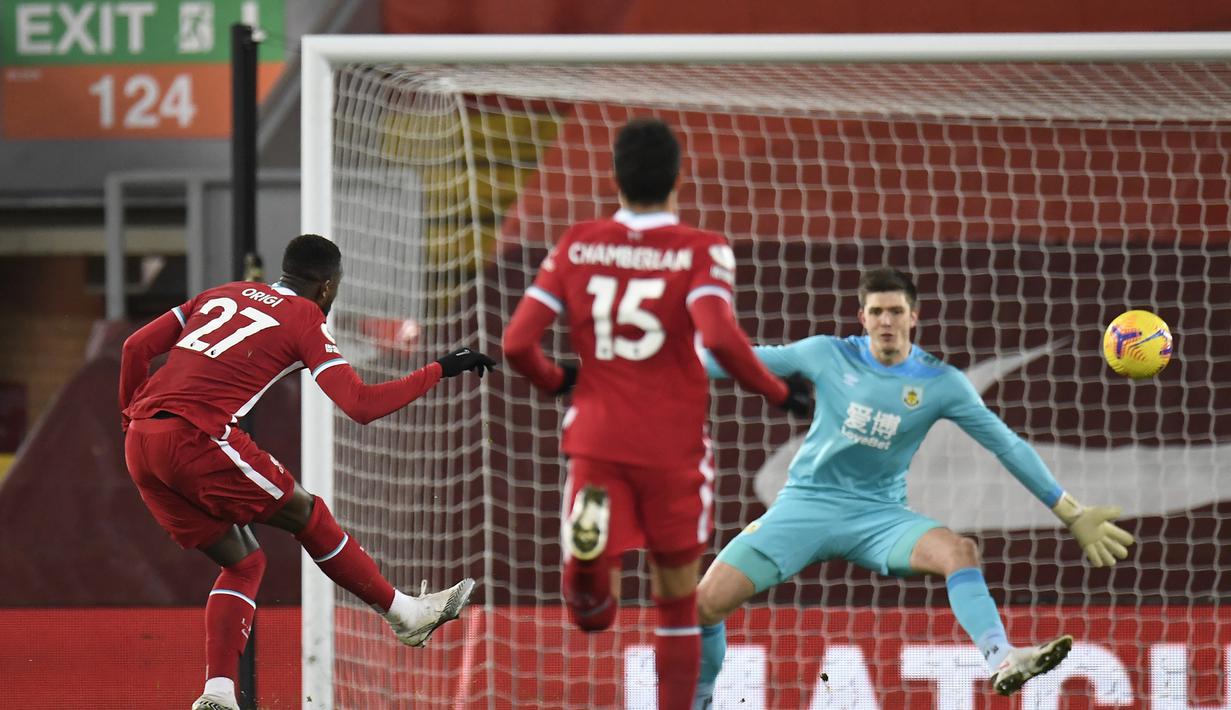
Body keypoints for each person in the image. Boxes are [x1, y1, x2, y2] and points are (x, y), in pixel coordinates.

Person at [691, 267, 1137, 707]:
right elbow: (735, 360)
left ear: (914, 316)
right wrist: (659, 361)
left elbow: (1008, 447)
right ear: (862, 317)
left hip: (878, 517)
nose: (887, 320)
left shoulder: (941, 384)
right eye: (878, 311)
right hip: (807, 506)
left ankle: (1003, 658)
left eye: (896, 311)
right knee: (704, 606)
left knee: (958, 552)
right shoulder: (826, 354)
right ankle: (701, 701)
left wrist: (1071, 513)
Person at [502, 117, 813, 709]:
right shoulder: (700, 249)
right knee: (675, 601)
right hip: (673, 448)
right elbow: (719, 337)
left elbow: (517, 344)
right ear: (677, 179)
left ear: (615, 178)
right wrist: (779, 393)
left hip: (596, 435)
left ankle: (586, 573)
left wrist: (560, 378)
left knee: (594, 617)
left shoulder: (578, 243)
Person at [120, 234, 496, 710]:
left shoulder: (222, 292)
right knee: (308, 514)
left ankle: (217, 694)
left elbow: (134, 348)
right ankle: (404, 613)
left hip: (140, 442)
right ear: (326, 288)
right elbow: (360, 404)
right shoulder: (306, 318)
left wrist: (126, 419)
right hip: (197, 437)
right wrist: (438, 369)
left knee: (243, 562)